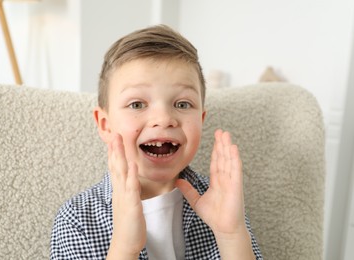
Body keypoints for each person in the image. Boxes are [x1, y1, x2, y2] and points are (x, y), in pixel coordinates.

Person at [51, 24, 263, 260]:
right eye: (137, 104)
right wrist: (124, 247)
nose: (163, 119)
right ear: (105, 125)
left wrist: (231, 235)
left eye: (182, 104)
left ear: (201, 120)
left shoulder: (222, 201)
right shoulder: (77, 219)